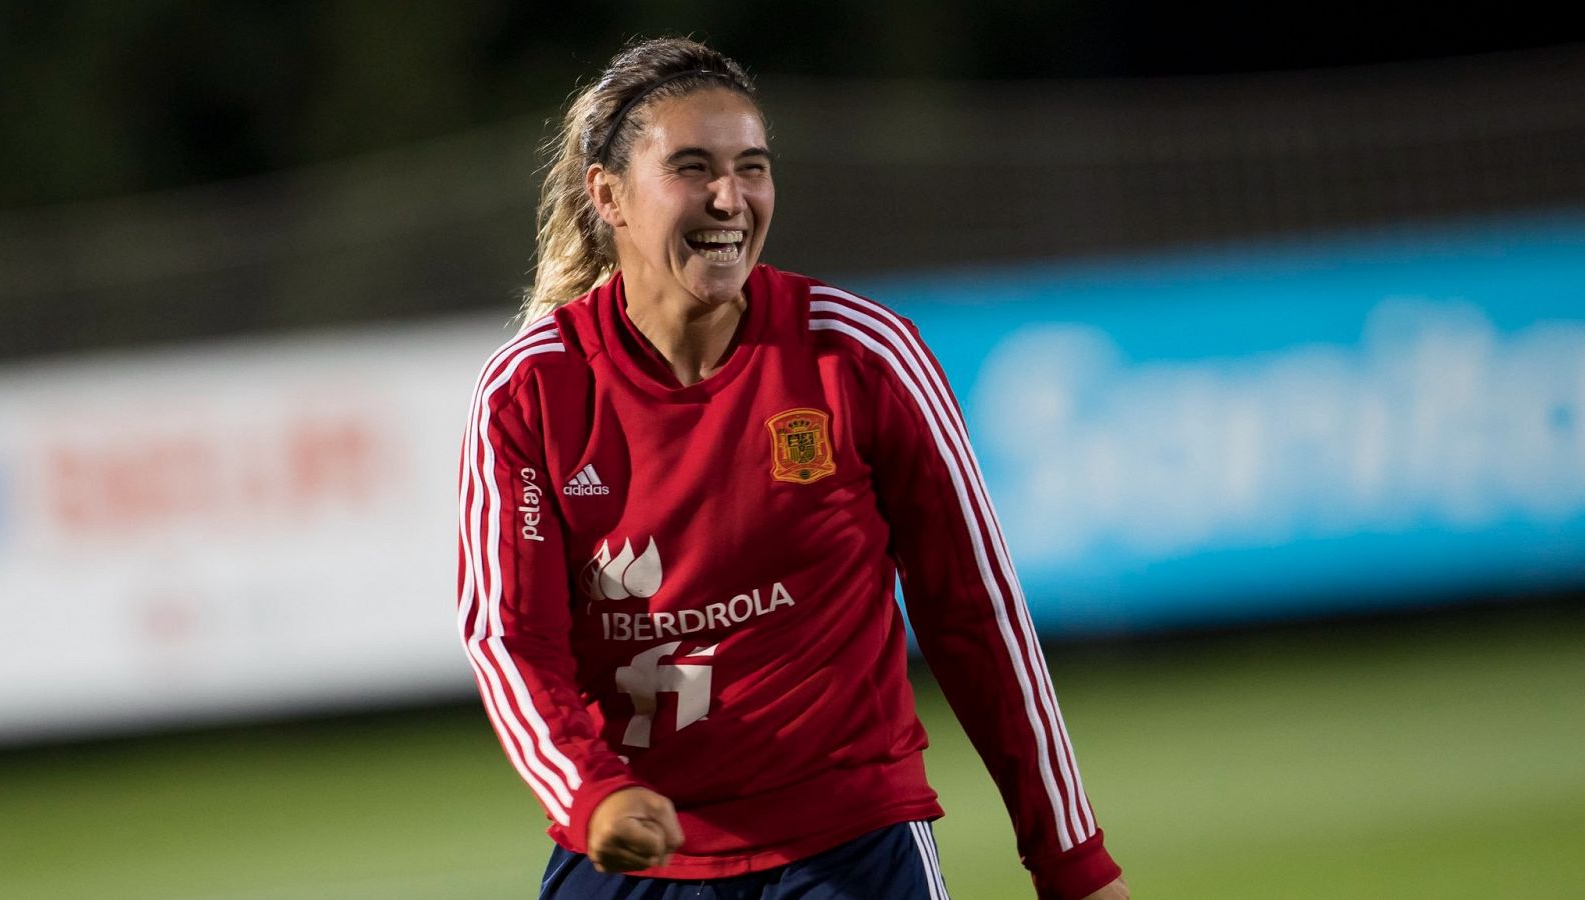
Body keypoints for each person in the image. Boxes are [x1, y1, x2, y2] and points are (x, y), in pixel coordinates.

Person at [457, 36, 1128, 900]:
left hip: (851, 851)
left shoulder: (859, 352)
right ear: (609, 196)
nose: (729, 198)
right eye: (692, 168)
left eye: (752, 167)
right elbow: (512, 640)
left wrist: (1071, 859)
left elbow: (978, 614)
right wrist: (592, 796)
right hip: (635, 853)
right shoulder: (531, 389)